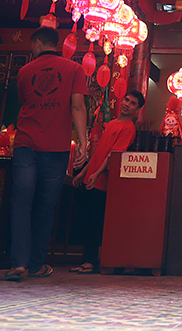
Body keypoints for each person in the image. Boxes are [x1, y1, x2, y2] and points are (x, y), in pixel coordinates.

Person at [0, 27, 88, 281]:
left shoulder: (25, 71)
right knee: (46, 207)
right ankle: (37, 264)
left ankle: (19, 263)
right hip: (57, 147)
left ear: (38, 43)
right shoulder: (74, 69)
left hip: (26, 144)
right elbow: (77, 105)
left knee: (21, 202)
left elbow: (25, 101)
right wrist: (82, 142)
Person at [69, 89, 142, 274]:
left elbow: (113, 155)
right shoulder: (110, 124)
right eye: (126, 100)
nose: (127, 104)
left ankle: (91, 261)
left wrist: (97, 174)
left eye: (133, 103)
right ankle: (86, 260)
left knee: (95, 221)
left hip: (102, 182)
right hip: (91, 177)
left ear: (137, 110)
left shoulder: (129, 128)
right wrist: (84, 172)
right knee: (87, 221)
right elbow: (98, 152)